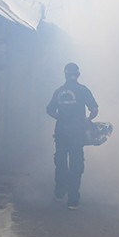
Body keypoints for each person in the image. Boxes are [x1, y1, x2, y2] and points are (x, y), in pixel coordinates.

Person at [46, 62, 98, 209]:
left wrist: (61, 118)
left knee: (61, 163)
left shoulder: (58, 91)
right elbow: (94, 109)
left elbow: (49, 110)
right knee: (76, 165)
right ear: (78, 74)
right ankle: (73, 200)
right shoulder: (83, 90)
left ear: (65, 74)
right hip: (77, 134)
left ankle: (59, 193)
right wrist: (88, 120)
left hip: (61, 133)